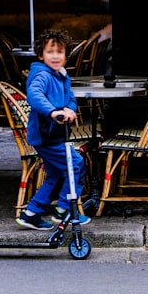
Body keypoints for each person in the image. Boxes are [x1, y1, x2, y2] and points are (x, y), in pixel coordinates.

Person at [16, 28, 90, 230]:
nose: (55, 56)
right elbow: (35, 96)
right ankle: (64, 209)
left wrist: (69, 108)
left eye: (60, 52)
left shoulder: (61, 76)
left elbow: (70, 99)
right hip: (46, 135)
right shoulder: (41, 75)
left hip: (55, 134)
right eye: (50, 52)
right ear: (41, 55)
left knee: (57, 174)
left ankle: (31, 213)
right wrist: (52, 112)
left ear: (66, 56)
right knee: (76, 165)